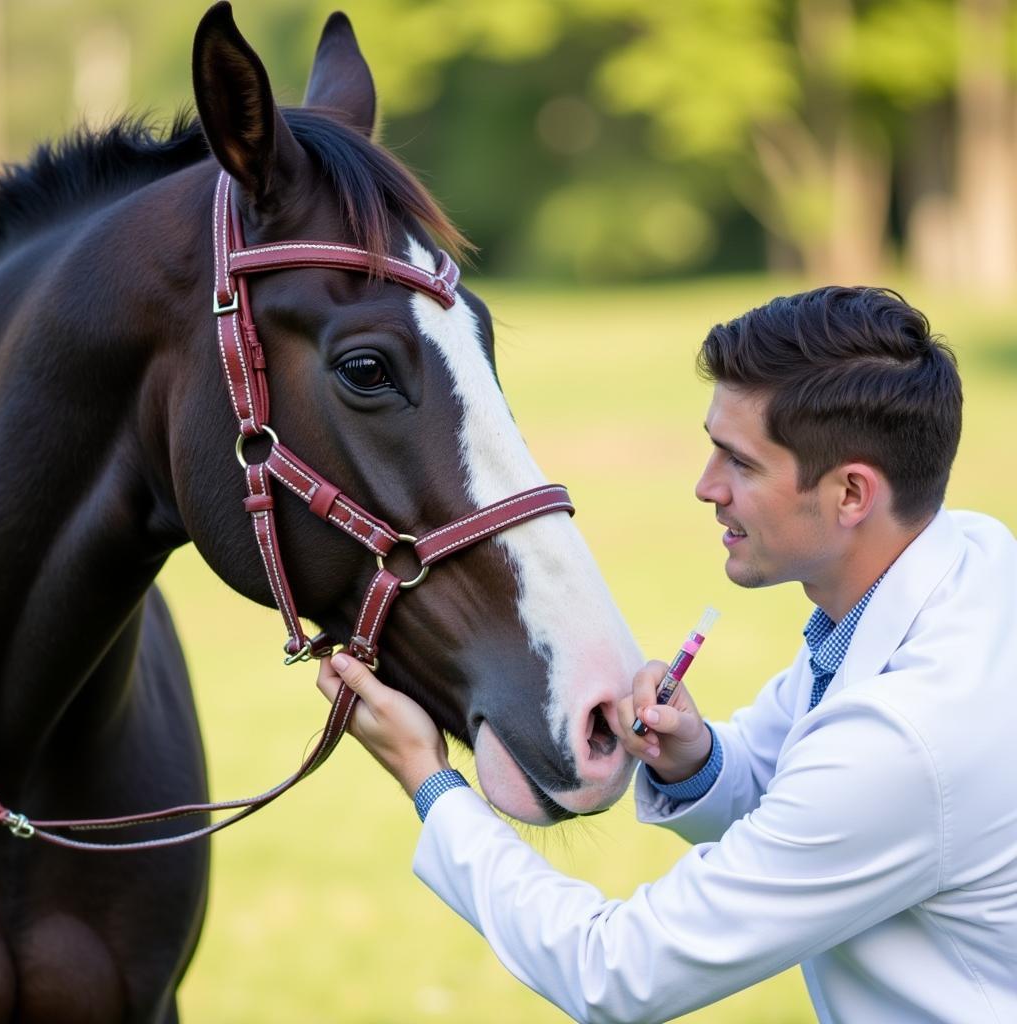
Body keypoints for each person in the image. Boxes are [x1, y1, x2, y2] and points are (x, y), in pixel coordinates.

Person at [317, 286, 1017, 1024]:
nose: (704, 487)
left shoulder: (910, 740)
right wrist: (699, 759)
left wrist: (430, 782)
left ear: (850, 494)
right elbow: (804, 791)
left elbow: (616, 973)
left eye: (739, 464)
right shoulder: (970, 557)